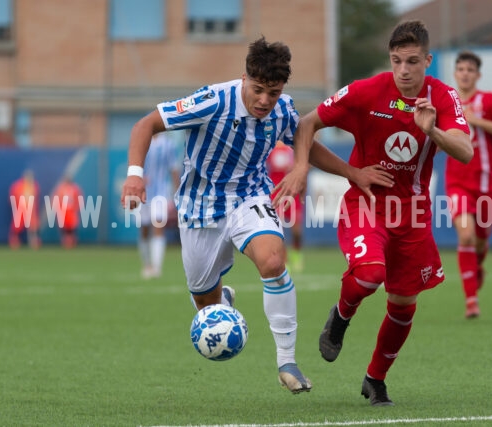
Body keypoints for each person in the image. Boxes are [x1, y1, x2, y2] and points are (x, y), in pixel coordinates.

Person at [119, 36, 391, 394]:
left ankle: (287, 362)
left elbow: (305, 142)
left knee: (274, 261)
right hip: (199, 207)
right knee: (204, 303)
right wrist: (135, 176)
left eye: (273, 92)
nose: (265, 101)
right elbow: (145, 125)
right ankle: (221, 299)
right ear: (245, 78)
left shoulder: (283, 109)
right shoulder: (212, 100)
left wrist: (350, 172)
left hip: (250, 197)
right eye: (259, 90)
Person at [274, 20, 473, 406]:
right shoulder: (367, 91)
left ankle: (374, 380)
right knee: (370, 274)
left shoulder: (444, 98)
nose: (403, 70)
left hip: (413, 214)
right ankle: (341, 317)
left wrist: (432, 131)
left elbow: (464, 150)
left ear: (428, 61)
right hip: (365, 204)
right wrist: (305, 168)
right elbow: (307, 123)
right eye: (397, 61)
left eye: (413, 61)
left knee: (403, 303)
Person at [446, 50, 492, 319]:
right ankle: (471, 301)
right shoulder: (446, 102)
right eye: (460, 69)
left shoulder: (491, 100)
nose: (464, 74)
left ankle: (476, 264)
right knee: (465, 235)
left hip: (487, 183)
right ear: (455, 73)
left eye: (469, 70)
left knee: (479, 240)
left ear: (477, 75)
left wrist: (476, 121)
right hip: (456, 181)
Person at [138, 131, 181, 279]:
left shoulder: (168, 144)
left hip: (160, 193)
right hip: (142, 192)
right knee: (144, 229)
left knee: (158, 227)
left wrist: (178, 192)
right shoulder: (143, 141)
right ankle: (147, 264)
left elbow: (173, 169)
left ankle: (156, 268)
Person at [266, 141, 304, 272]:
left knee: (296, 231)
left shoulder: (292, 146)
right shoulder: (270, 147)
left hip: (292, 192)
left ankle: (296, 254)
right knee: (279, 229)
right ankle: (285, 260)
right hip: (276, 192)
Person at [8, 169, 41, 249]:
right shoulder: (18, 185)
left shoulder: (34, 185)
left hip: (31, 210)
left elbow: (36, 197)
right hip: (21, 209)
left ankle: (34, 242)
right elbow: (13, 197)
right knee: (17, 226)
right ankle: (14, 241)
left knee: (33, 227)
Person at [51, 175, 83, 249]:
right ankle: (66, 241)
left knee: (72, 227)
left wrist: (77, 207)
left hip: (71, 211)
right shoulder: (61, 189)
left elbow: (79, 199)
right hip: (63, 211)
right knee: (64, 227)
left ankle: (72, 241)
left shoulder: (75, 189)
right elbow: (56, 199)